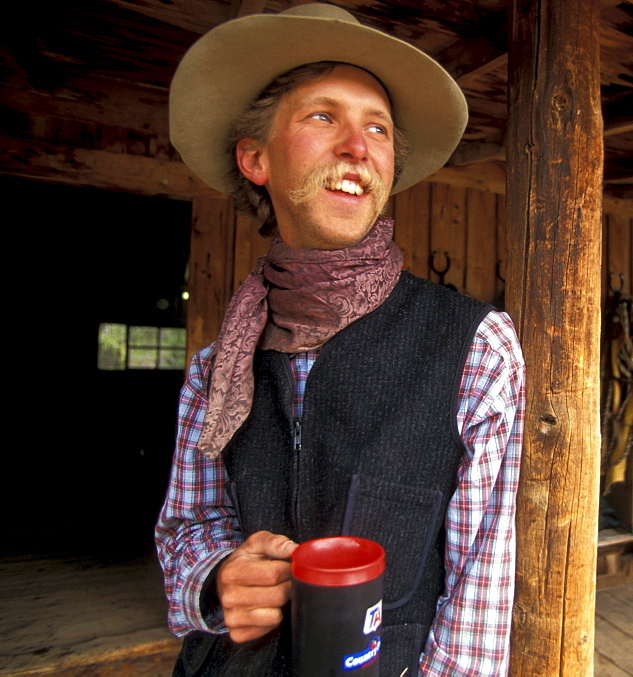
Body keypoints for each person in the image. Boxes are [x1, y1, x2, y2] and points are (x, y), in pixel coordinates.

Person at [154, 5, 525, 676]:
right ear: (255, 158)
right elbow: (186, 528)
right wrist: (215, 578)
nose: (358, 145)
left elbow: (478, 607)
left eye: (377, 127)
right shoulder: (218, 367)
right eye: (323, 116)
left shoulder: (475, 349)